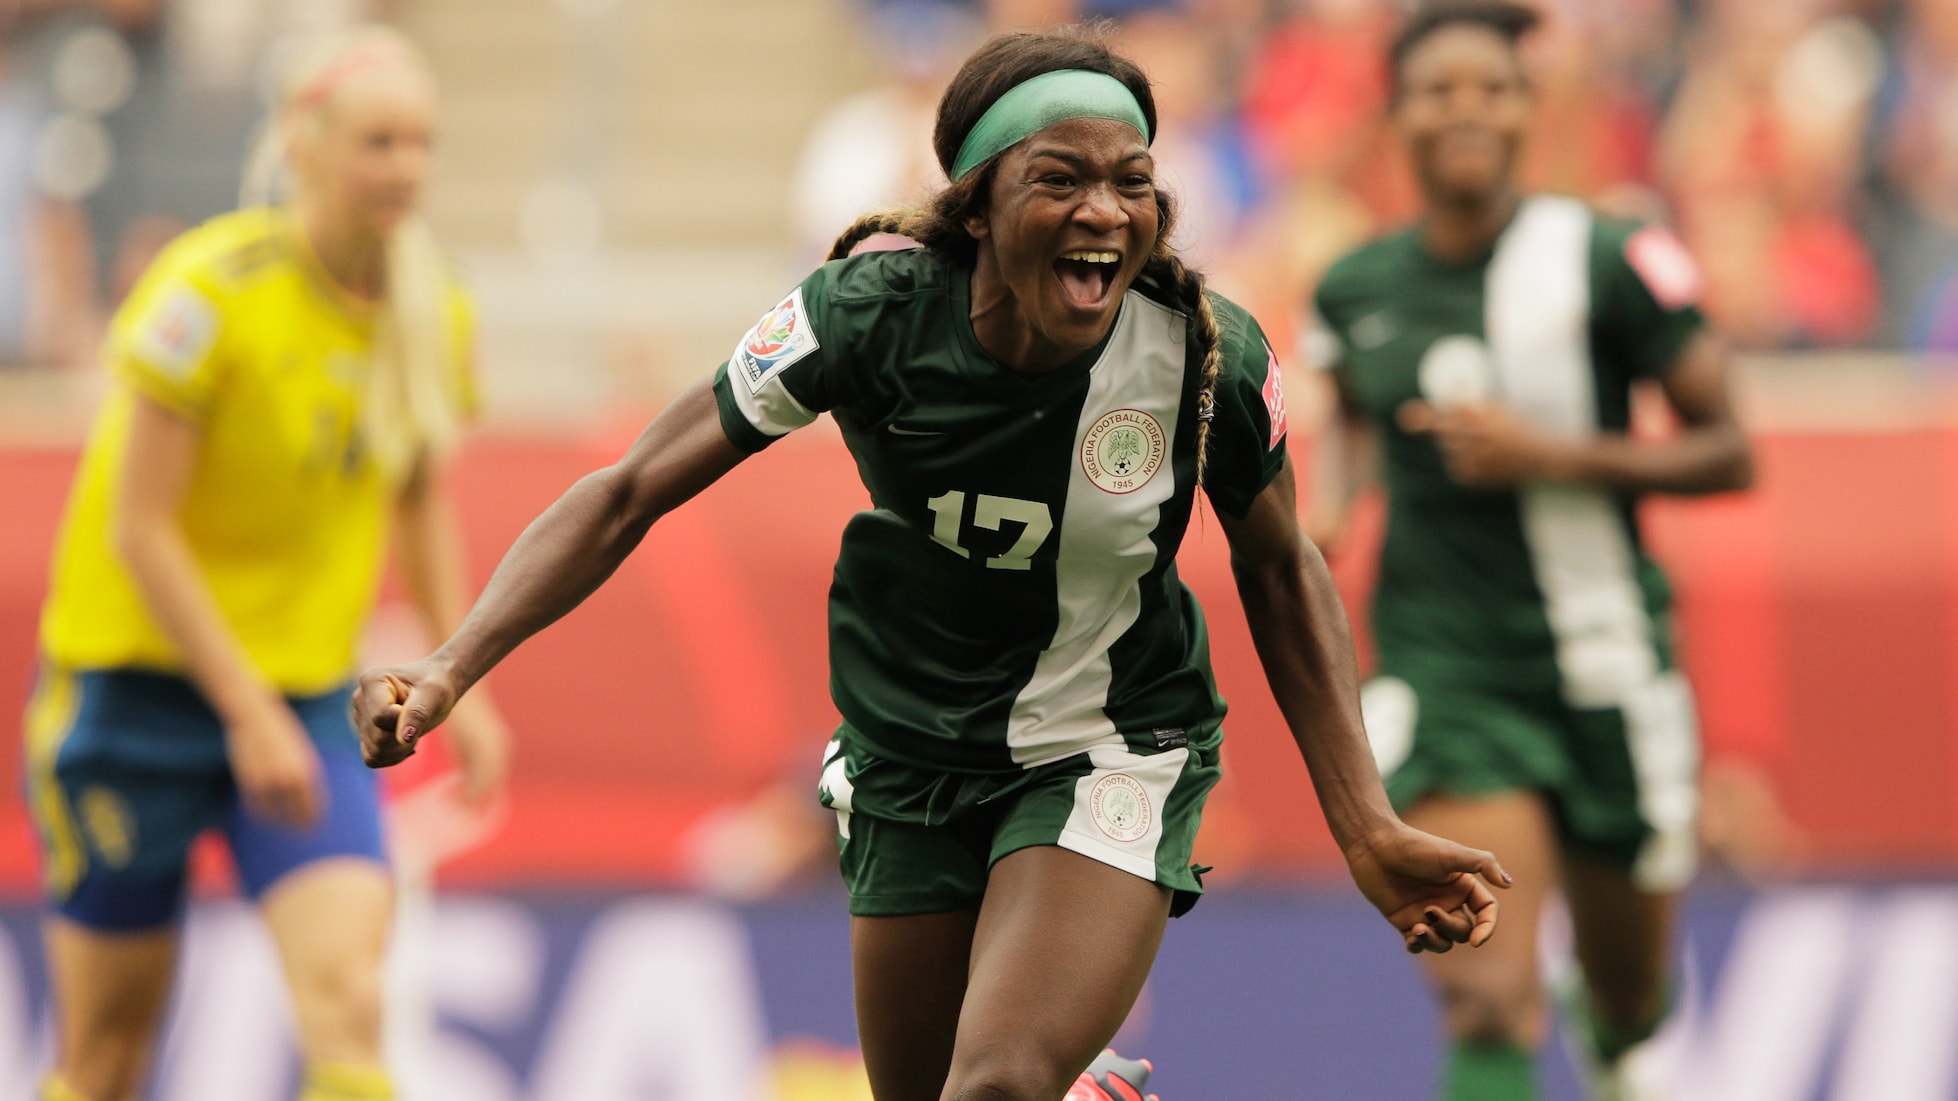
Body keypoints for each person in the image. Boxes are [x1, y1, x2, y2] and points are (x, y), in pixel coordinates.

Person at [354, 26, 1510, 1101]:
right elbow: (625, 494)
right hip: (908, 752)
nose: (1105, 211)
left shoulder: (1203, 354)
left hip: (1110, 743)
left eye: (1132, 181)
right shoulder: (866, 315)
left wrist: (1363, 828)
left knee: (995, 1087)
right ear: (978, 205)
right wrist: (454, 665)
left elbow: (1280, 570)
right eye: (1060, 178)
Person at [25, 26, 508, 1101]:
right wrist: (239, 711)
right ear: (305, 143)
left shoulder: (436, 309)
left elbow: (419, 499)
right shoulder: (207, 295)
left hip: (303, 702)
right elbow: (137, 529)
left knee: (349, 1004)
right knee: (106, 1056)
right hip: (133, 696)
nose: (406, 171)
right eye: (379, 143)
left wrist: (458, 678)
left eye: (421, 145)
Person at [1303, 5, 1753, 1100]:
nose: (1465, 110)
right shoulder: (1352, 287)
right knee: (1485, 989)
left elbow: (1728, 451)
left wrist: (1548, 455)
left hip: (1603, 660)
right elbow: (1348, 431)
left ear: (1526, 111)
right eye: (1437, 90)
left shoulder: (1608, 258)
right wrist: (1328, 505)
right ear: (1394, 116)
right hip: (1445, 665)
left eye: (1490, 89)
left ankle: (1610, 1032)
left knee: (1627, 997)